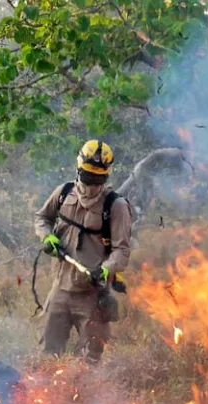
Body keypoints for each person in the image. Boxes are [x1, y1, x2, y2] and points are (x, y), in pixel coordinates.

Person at [34, 140, 132, 364]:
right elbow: (42, 219)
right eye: (88, 177)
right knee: (49, 354)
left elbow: (121, 250)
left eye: (98, 179)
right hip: (60, 289)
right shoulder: (64, 192)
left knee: (89, 359)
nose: (92, 185)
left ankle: (89, 397)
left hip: (92, 295)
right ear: (79, 169)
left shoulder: (115, 206)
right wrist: (47, 237)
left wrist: (106, 270)